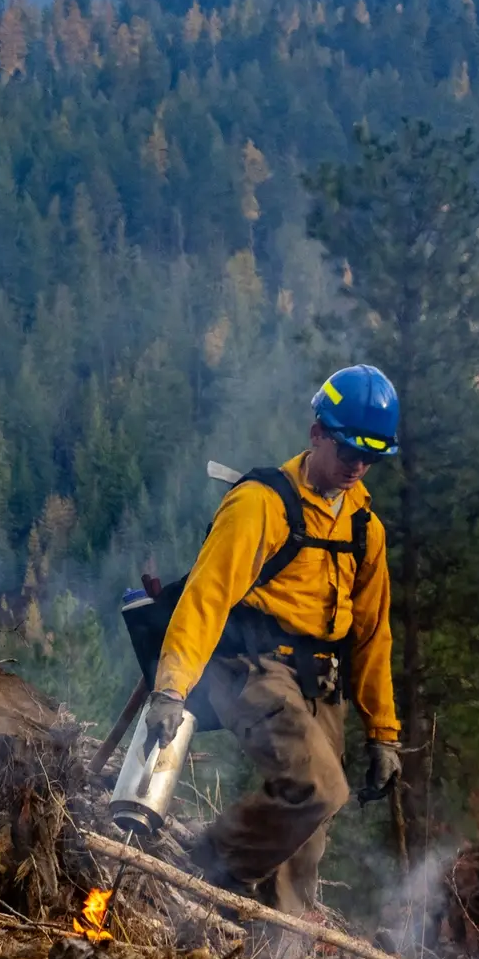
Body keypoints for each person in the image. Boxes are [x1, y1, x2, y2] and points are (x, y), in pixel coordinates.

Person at [144, 365, 401, 926]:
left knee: (305, 838)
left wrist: (383, 732)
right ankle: (203, 868)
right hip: (250, 668)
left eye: (371, 457)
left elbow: (371, 632)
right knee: (318, 787)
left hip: (319, 683)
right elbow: (206, 598)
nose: (357, 466)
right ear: (317, 435)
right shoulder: (262, 504)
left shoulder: (365, 529)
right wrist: (171, 688)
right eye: (348, 450)